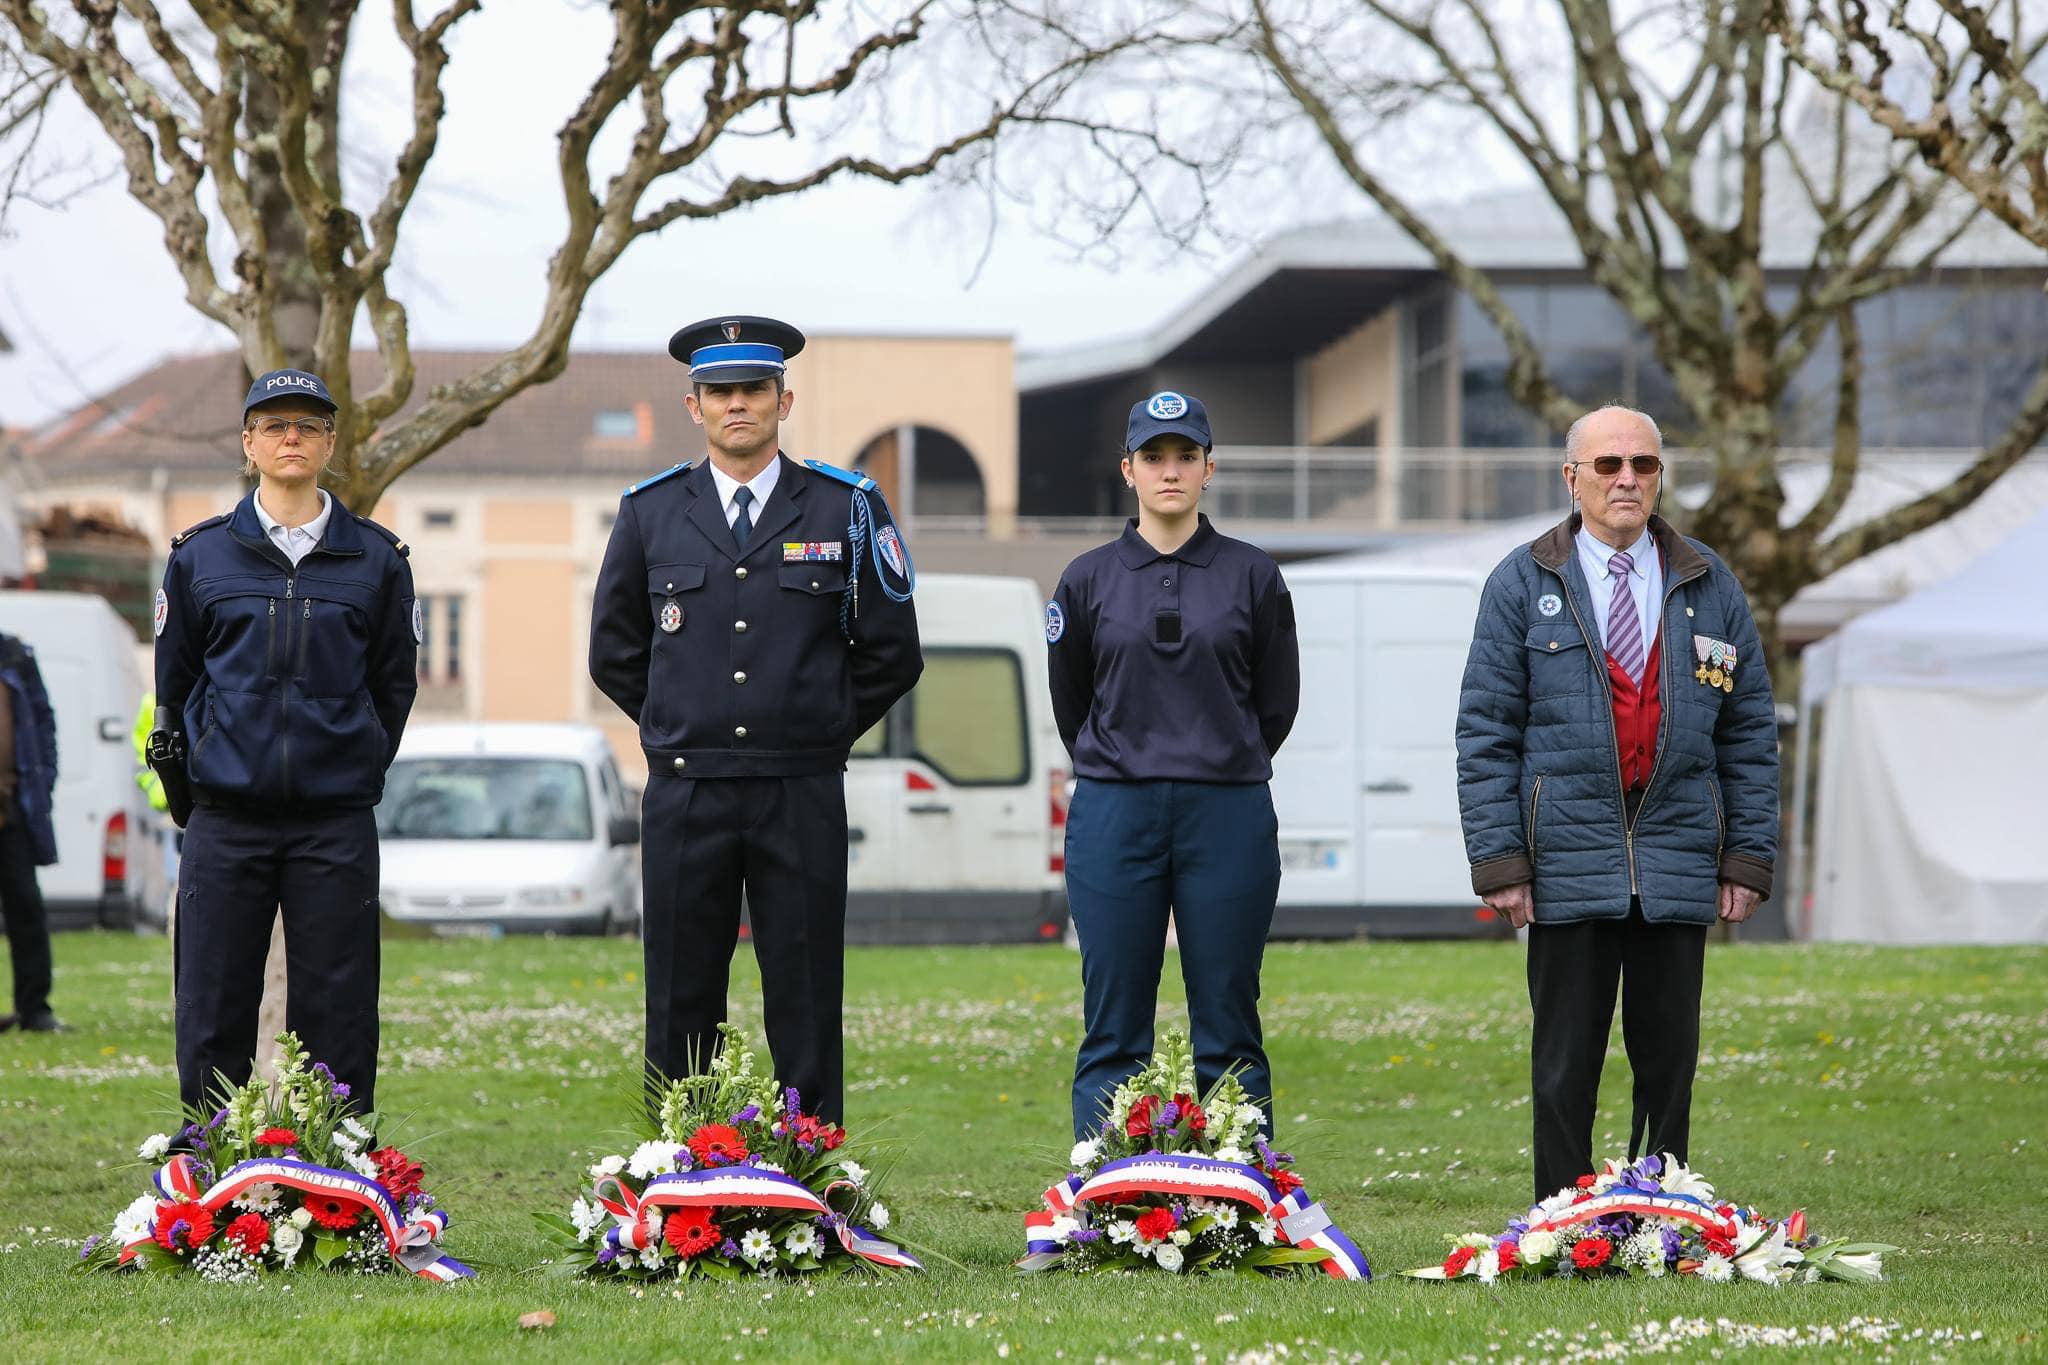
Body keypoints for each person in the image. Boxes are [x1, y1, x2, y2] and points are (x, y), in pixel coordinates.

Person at [589, 315, 922, 1122]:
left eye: (754, 391)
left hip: (798, 789)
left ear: (785, 399)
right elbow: (614, 650)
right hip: (686, 789)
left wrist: (817, 728)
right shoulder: (650, 512)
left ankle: (811, 1174)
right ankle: (676, 1176)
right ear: (693, 405)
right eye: (720, 393)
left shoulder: (845, 509)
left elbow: (891, 651)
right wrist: (678, 723)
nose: (738, 405)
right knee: (679, 997)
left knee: (804, 995)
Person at [1453, 404, 1778, 1202]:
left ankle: (1662, 1212)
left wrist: (1746, 857)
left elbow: (1749, 732)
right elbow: (1485, 730)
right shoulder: (1523, 582)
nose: (1627, 478)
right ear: (1573, 478)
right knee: (1564, 1060)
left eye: (1644, 464)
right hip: (1565, 857)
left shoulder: (1711, 582)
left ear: (1661, 476)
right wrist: (1501, 860)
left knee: (1669, 1058)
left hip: (1676, 855)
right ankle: (1561, 1218)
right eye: (1608, 465)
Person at [153, 368, 419, 1115]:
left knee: (338, 1002)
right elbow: (174, 685)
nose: (291, 437)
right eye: (274, 425)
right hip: (225, 817)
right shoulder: (200, 557)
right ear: (249, 442)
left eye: (307, 425)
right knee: (212, 999)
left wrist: (354, 755)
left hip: (333, 821)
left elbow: (394, 687)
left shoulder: (377, 560)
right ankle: (208, 1159)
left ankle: (337, 1162)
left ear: (331, 442)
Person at [1046, 390, 1300, 1140]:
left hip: (1226, 812)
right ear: (1128, 469)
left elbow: (1276, 701)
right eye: (1154, 456)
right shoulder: (1086, 578)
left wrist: (1222, 759)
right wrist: (1124, 762)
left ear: (1208, 468)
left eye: (1185, 455)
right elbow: (1073, 704)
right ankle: (1103, 1196)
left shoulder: (1253, 574)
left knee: (1228, 1019)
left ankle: (1241, 1196)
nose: (1170, 470)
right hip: (1115, 811)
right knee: (1113, 1023)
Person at [0, 629, 61, 1033]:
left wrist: (45, 779)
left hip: (11, 805)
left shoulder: (15, 654)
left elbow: (43, 719)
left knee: (25, 905)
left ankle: (34, 1009)